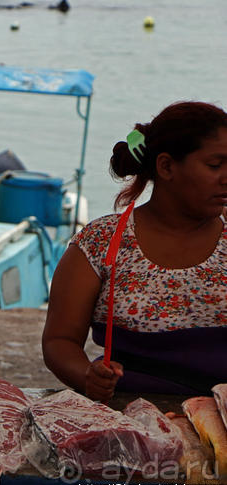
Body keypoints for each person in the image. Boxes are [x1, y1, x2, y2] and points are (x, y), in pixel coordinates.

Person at [42, 101, 227, 402]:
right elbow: (59, 340)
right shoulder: (100, 242)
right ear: (166, 166)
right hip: (130, 417)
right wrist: (87, 375)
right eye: (215, 165)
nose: (226, 177)